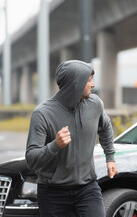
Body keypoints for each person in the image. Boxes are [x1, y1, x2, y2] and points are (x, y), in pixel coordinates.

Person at [26, 60, 118, 217]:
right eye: (89, 80)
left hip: (87, 188)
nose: (93, 85)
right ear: (75, 83)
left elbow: (106, 126)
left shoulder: (95, 104)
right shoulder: (42, 114)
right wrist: (55, 145)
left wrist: (110, 157)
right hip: (52, 192)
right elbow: (31, 158)